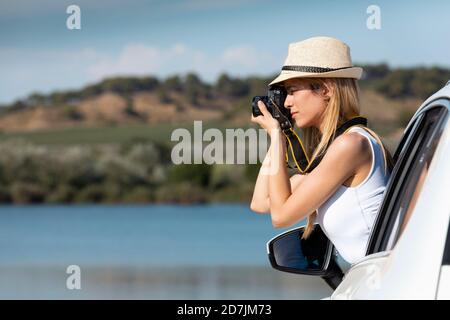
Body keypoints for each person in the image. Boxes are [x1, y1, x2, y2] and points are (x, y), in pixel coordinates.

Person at [250, 36, 394, 264]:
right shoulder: (330, 160)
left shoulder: (352, 145)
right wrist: (280, 130)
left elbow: (281, 216)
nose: (286, 103)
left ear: (324, 89)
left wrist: (278, 136)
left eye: (292, 91)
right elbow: (260, 202)